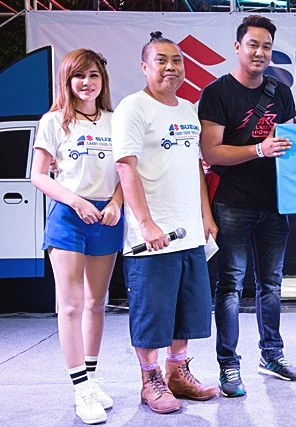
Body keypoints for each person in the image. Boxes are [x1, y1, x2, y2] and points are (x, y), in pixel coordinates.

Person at [112, 32, 219, 414]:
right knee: (151, 313)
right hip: (152, 236)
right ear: (145, 66)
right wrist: (146, 223)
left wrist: (205, 215)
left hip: (189, 232)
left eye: (177, 60)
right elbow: (125, 166)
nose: (171, 67)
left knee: (186, 311)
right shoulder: (133, 108)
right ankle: (150, 380)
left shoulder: (188, 109)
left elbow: (195, 168)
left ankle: (177, 372)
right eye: (161, 60)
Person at [198, 15, 296, 398]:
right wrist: (258, 149)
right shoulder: (217, 92)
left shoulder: (280, 92)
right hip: (232, 203)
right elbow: (211, 152)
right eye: (253, 44)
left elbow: (293, 148)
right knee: (230, 286)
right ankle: (228, 364)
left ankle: (272, 355)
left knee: (271, 285)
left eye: (266, 46)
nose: (260, 52)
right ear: (238, 47)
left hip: (276, 203)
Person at [31, 48, 123, 425]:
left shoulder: (116, 121)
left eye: (94, 75)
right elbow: (38, 175)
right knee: (70, 305)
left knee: (96, 303)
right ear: (67, 81)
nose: (87, 83)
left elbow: (127, 171)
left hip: (107, 218)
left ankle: (91, 377)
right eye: (79, 76)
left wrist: (117, 202)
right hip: (69, 216)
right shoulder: (54, 121)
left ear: (103, 81)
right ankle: (80, 388)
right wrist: (76, 201)